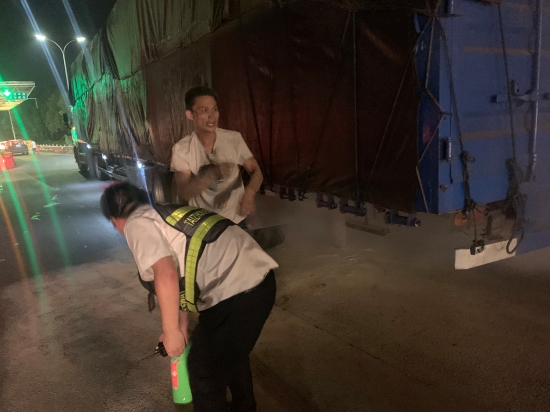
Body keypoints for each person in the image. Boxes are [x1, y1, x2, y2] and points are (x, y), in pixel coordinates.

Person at [100, 182, 277, 412]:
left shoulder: (136, 223)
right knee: (229, 353)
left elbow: (166, 274)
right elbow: (181, 276)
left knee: (204, 370)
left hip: (236, 291)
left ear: (114, 220)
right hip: (257, 283)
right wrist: (181, 327)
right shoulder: (162, 214)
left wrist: (171, 331)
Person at [171, 85, 263, 225]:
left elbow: (256, 172)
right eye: (204, 110)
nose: (212, 116)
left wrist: (249, 193)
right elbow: (184, 191)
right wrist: (212, 175)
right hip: (204, 223)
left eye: (215, 109)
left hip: (236, 219)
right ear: (190, 115)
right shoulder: (182, 149)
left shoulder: (233, 139)